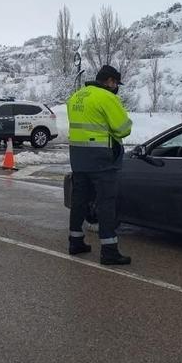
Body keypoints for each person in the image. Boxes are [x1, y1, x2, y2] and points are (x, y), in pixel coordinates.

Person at [66, 65, 133, 265]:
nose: (116, 87)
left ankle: (75, 241)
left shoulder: (77, 96)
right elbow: (123, 129)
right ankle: (109, 250)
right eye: (116, 83)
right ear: (110, 81)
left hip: (78, 157)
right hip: (101, 159)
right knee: (106, 203)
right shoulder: (107, 98)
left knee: (79, 200)